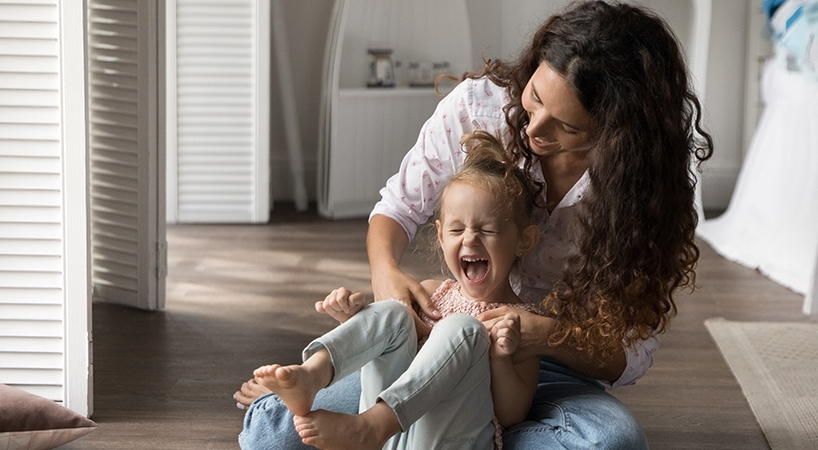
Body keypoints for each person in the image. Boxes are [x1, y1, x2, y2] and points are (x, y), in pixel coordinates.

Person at [237, 1, 712, 449]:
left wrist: (544, 335)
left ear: (617, 132)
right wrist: (386, 279)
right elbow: (396, 208)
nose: (534, 129)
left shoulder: (648, 190)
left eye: (566, 128)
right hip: (428, 368)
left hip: (549, 371)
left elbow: (630, 352)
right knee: (273, 430)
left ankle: (436, 434)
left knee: (612, 442)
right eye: (535, 98)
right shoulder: (478, 109)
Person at [250, 131, 544, 450]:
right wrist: (353, 319)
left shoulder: (523, 322)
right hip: (396, 440)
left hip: (449, 440)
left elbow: (513, 414)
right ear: (442, 236)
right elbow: (388, 357)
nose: (470, 239)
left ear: (523, 241)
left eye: (487, 230)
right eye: (457, 229)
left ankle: (370, 426)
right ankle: (314, 374)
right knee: (392, 311)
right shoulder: (432, 295)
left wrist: (500, 359)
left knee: (466, 331)